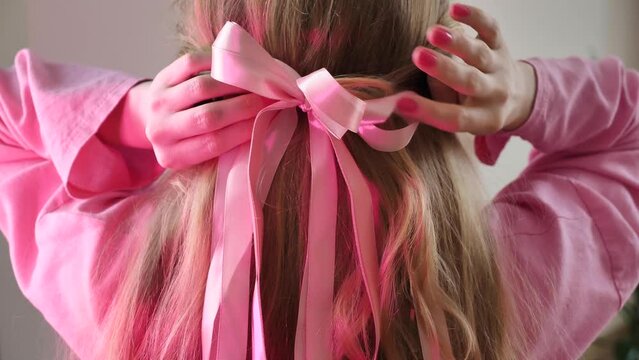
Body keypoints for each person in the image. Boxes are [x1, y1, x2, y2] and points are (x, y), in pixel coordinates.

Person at [0, 0, 637, 359]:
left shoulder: (127, 274)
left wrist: (132, 117)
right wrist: (522, 94)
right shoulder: (504, 284)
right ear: (440, 58)